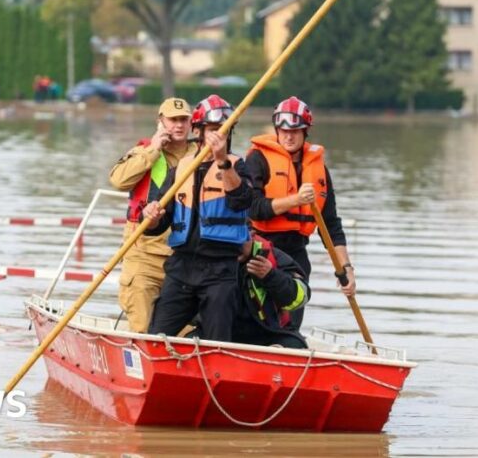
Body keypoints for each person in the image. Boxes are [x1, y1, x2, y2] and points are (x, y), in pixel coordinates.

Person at [143, 94, 253, 341]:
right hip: (182, 267)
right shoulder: (180, 169)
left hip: (220, 270)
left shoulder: (238, 166)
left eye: (224, 131)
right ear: (199, 131)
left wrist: (222, 161)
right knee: (157, 336)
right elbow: (160, 222)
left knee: (218, 341)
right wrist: (151, 217)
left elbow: (242, 201)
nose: (219, 137)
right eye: (214, 130)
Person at [246, 96, 356, 328]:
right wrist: (294, 200)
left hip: (296, 254)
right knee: (258, 319)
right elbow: (254, 208)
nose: (288, 136)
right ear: (276, 129)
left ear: (305, 132)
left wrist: (345, 268)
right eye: (283, 130)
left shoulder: (319, 170)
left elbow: (331, 225)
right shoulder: (257, 159)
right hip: (261, 249)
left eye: (295, 131)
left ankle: (289, 345)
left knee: (290, 320)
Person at [109, 97, 196, 333]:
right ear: (161, 122)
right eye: (172, 120)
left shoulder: (202, 153)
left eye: (183, 120)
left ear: (191, 123)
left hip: (184, 257)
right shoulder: (145, 151)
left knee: (186, 332)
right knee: (141, 325)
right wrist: (153, 150)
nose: (178, 125)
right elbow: (118, 180)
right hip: (144, 255)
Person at [232, 232, 310, 349]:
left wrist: (271, 276)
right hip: (222, 331)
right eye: (231, 240)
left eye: (242, 239)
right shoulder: (208, 256)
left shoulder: (274, 257)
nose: (237, 246)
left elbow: (301, 296)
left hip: (267, 331)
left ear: (252, 235)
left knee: (295, 344)